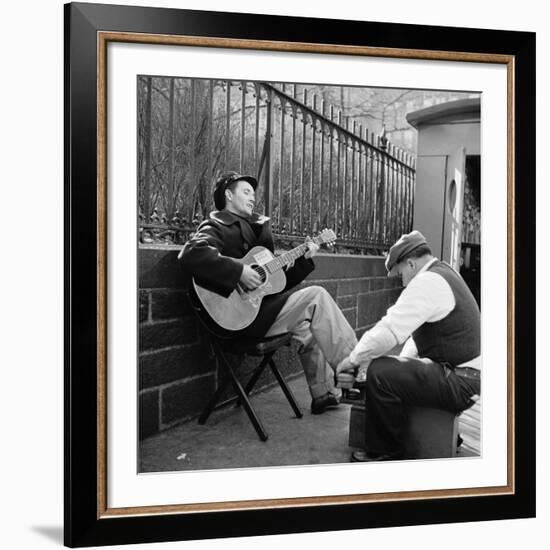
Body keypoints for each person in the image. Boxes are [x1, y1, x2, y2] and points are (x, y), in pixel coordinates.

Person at [180, 171, 357, 414]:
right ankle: (357, 374)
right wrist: (238, 271)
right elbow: (191, 254)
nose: (252, 197)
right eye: (246, 191)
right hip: (238, 321)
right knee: (316, 297)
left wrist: (305, 258)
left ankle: (324, 393)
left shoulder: (257, 232)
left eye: (254, 193)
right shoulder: (216, 225)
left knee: (311, 322)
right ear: (228, 195)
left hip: (261, 313)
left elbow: (276, 284)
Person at [337, 230, 481, 461]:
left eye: (400, 273)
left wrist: (353, 359)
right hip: (466, 377)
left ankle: (385, 450)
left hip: (460, 382)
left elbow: (389, 329)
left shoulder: (427, 282)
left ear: (411, 264)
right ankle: (436, 435)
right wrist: (401, 367)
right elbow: (416, 337)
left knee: (380, 372)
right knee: (391, 370)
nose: (401, 281)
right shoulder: (443, 272)